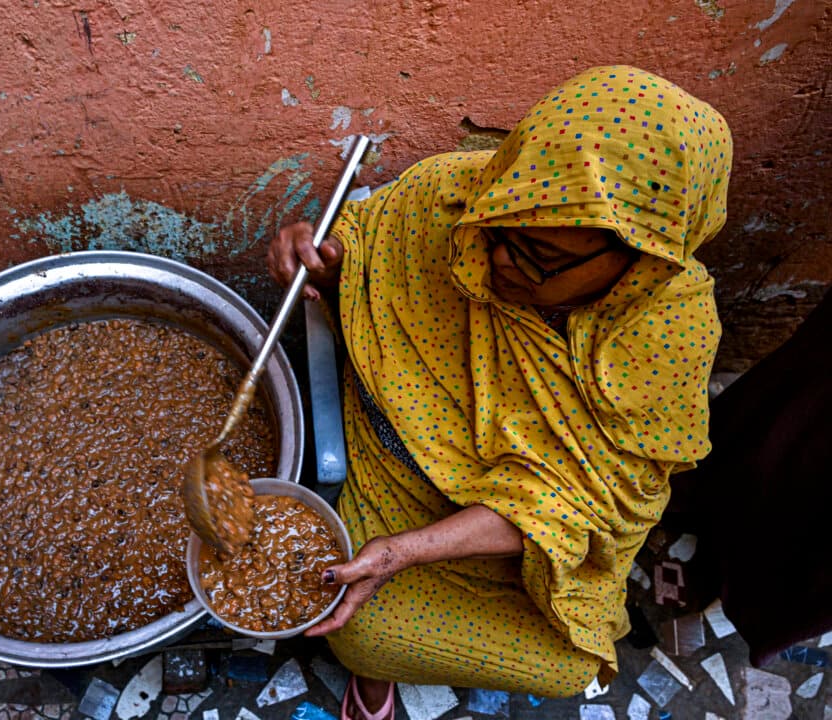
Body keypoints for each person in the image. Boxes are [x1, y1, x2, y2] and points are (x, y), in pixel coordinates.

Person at [267, 65, 732, 719]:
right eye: (500, 229)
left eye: (541, 257)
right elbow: (367, 244)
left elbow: (597, 504)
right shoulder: (452, 197)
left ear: (642, 262)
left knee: (570, 667)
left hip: (518, 531)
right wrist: (327, 255)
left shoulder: (667, 338)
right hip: (390, 476)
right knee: (357, 627)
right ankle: (375, 675)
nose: (501, 262)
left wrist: (404, 555)